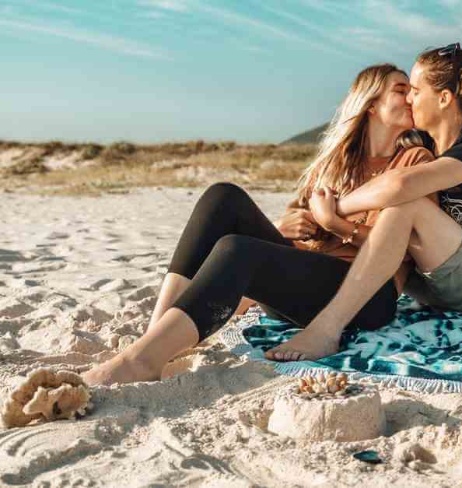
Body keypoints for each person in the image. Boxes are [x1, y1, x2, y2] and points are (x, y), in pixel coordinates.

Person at [81, 64, 435, 386]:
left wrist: (335, 223)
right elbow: (295, 223)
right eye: (401, 88)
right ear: (370, 103)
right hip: (301, 285)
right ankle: (156, 336)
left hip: (367, 297)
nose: (411, 96)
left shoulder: (415, 160)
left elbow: (409, 246)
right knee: (222, 196)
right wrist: (286, 225)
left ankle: (143, 361)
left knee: (236, 250)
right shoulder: (335, 164)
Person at [265, 43, 462, 362]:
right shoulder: (425, 144)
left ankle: (327, 330)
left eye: (416, 90)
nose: (409, 98)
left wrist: (334, 212)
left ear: (444, 99)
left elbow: (399, 185)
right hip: (432, 279)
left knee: (408, 202)